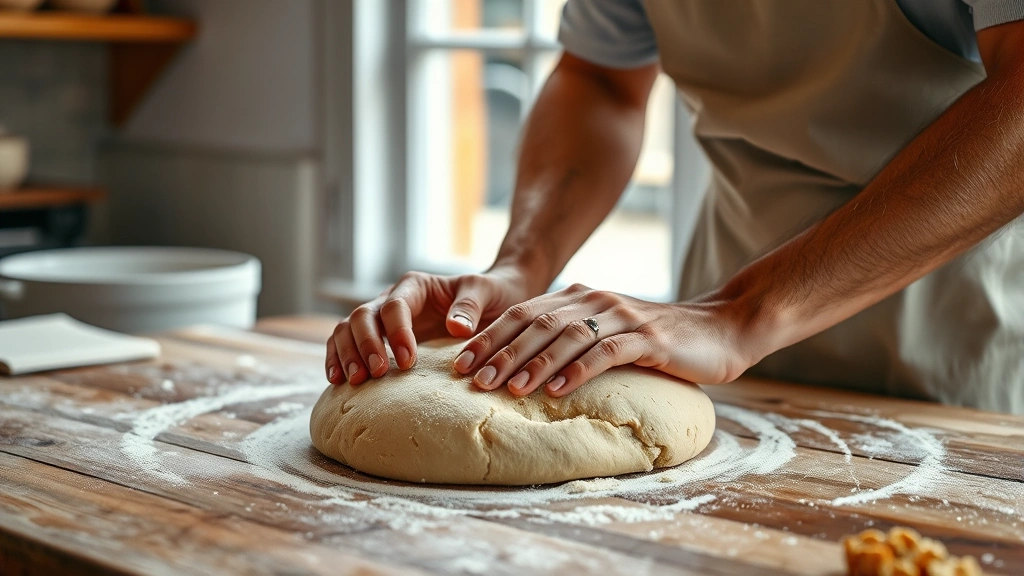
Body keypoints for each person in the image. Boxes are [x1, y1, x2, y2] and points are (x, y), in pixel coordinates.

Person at [326, 0, 1024, 415]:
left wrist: (740, 316)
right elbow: (600, 80)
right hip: (735, 352)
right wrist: (522, 265)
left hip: (958, 340)